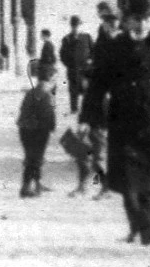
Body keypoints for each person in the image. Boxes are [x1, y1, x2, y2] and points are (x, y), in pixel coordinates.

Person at [79, 0, 150, 246]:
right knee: (126, 183)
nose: (140, 24)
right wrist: (88, 116)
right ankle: (143, 226)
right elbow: (97, 84)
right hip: (121, 122)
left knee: (149, 182)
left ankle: (147, 227)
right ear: (127, 20)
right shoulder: (114, 48)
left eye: (146, 20)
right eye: (136, 19)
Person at [16, 62, 59, 197]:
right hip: (38, 130)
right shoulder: (46, 94)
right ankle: (26, 187)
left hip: (25, 129)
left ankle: (37, 184)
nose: (56, 81)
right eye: (55, 78)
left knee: (33, 157)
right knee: (34, 158)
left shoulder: (32, 91)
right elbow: (48, 116)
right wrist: (51, 127)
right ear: (50, 78)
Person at [59, 16, 94, 116]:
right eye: (74, 26)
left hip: (85, 70)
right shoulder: (66, 39)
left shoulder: (87, 37)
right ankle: (74, 109)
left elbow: (93, 51)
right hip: (73, 70)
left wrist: (90, 61)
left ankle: (87, 111)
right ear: (71, 26)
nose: (76, 28)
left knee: (86, 90)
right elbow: (62, 55)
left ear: (80, 26)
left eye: (77, 26)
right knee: (73, 90)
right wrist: (69, 64)